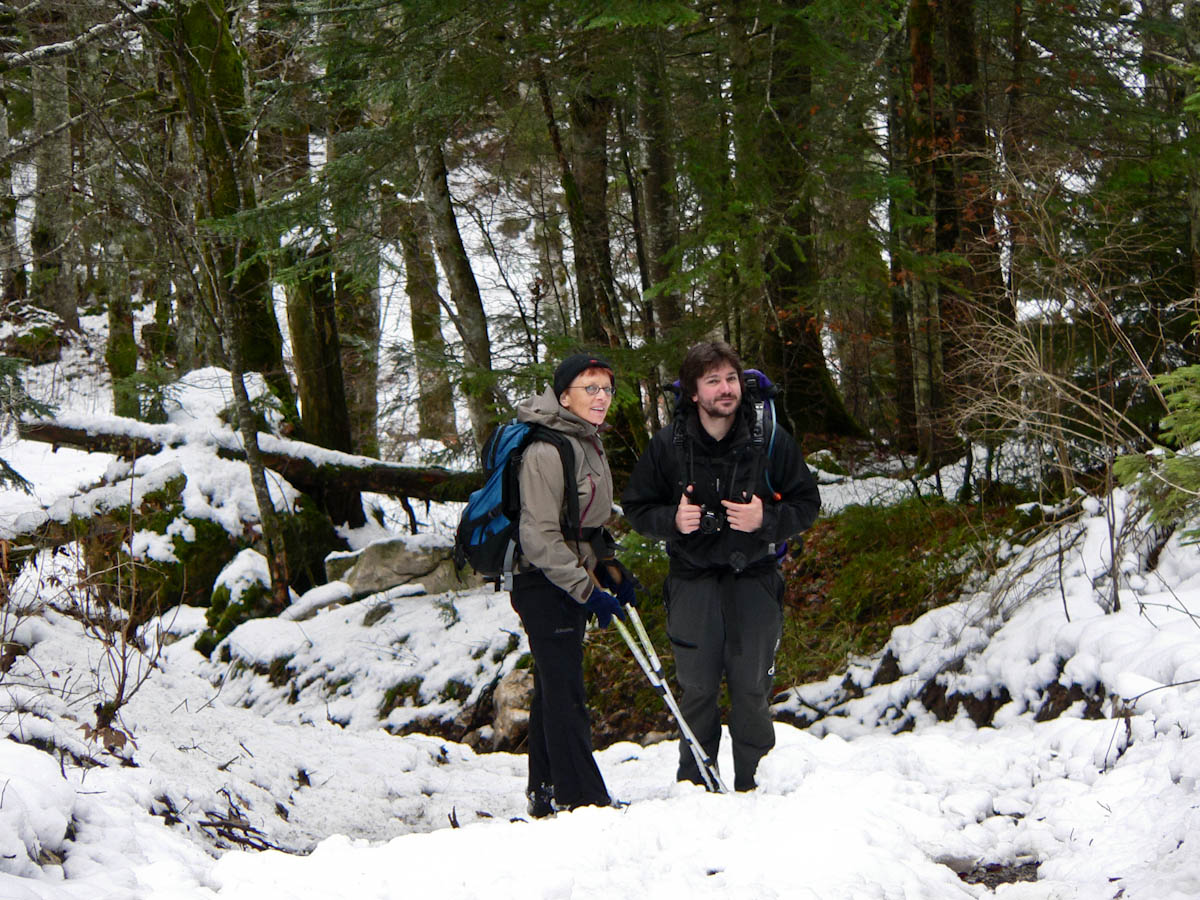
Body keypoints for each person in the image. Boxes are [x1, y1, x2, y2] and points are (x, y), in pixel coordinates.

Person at [622, 341, 820, 792]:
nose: (725, 388)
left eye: (730, 379)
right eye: (713, 381)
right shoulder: (668, 445)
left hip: (755, 579)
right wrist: (672, 520)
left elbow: (807, 504)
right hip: (692, 582)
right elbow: (636, 507)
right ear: (693, 392)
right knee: (697, 691)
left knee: (752, 690)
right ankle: (696, 789)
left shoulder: (768, 438)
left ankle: (757, 787)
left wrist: (765, 520)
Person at [508, 352, 631, 817]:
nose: (602, 397)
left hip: (568, 576)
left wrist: (610, 566)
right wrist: (588, 590)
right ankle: (582, 798)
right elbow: (539, 536)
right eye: (590, 388)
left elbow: (584, 522)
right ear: (563, 397)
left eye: (606, 389)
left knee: (553, 686)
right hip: (542, 582)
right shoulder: (546, 450)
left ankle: (544, 791)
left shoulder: (585, 440)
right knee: (566, 693)